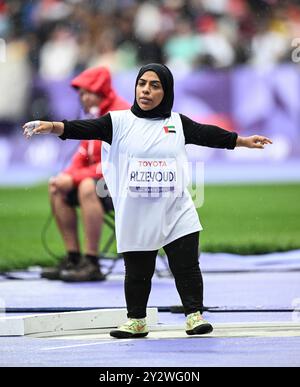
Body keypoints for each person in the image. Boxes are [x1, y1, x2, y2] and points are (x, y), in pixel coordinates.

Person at [23, 63, 272, 337]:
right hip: (135, 214)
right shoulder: (116, 122)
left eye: (155, 85)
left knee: (186, 266)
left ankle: (194, 315)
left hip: (176, 211)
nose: (146, 90)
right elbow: (81, 127)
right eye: (142, 83)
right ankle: (137, 321)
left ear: (166, 92)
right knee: (138, 272)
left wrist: (243, 141)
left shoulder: (178, 123)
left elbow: (208, 134)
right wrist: (51, 126)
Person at [42, 66, 130, 282]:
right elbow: (81, 156)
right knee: (56, 188)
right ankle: (74, 258)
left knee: (87, 187)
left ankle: (92, 263)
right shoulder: (93, 115)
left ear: (99, 91)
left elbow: (118, 162)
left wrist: (75, 178)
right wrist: (66, 177)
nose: (81, 99)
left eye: (84, 93)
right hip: (101, 182)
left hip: (124, 185)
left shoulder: (121, 115)